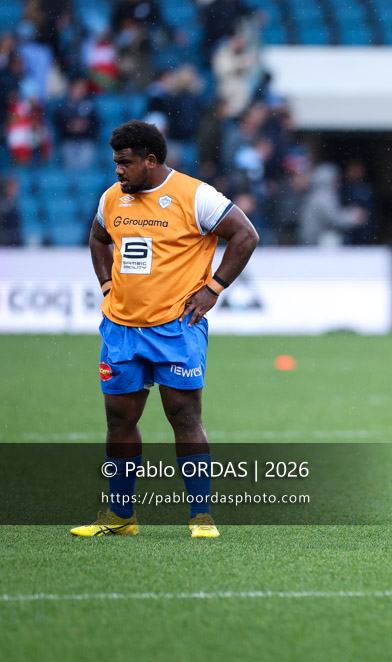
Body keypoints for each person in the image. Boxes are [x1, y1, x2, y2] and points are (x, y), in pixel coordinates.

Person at [71, 120, 259, 538]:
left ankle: (200, 516)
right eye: (115, 163)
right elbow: (98, 239)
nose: (118, 171)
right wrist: (106, 285)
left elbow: (245, 235)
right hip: (121, 329)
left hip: (177, 328)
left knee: (184, 416)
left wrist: (213, 289)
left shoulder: (196, 197)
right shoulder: (111, 199)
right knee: (119, 420)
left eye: (125, 163)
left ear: (151, 161)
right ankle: (121, 516)